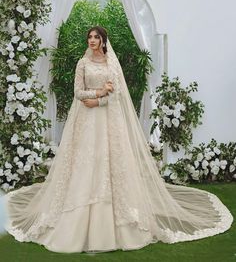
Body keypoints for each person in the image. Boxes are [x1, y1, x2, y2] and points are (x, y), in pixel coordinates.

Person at [3, 26, 233, 253]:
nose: (92, 40)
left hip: (106, 120)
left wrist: (101, 100)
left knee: (108, 162)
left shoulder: (112, 63)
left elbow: (119, 94)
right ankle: (74, 217)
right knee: (84, 163)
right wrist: (97, 93)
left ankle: (117, 222)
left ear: (104, 40)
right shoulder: (82, 64)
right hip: (84, 120)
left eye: (96, 37)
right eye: (89, 37)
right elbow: (78, 93)